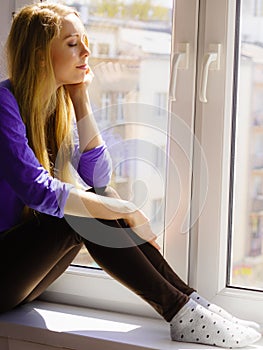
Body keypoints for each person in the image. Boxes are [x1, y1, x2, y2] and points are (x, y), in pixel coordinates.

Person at [0, 2, 261, 348]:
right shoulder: (5, 104)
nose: (87, 51)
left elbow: (98, 177)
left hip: (18, 277)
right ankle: (181, 311)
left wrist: (80, 98)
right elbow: (38, 192)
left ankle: (188, 302)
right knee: (81, 214)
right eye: (72, 43)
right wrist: (127, 210)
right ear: (38, 56)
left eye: (84, 40)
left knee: (96, 202)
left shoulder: (55, 107)